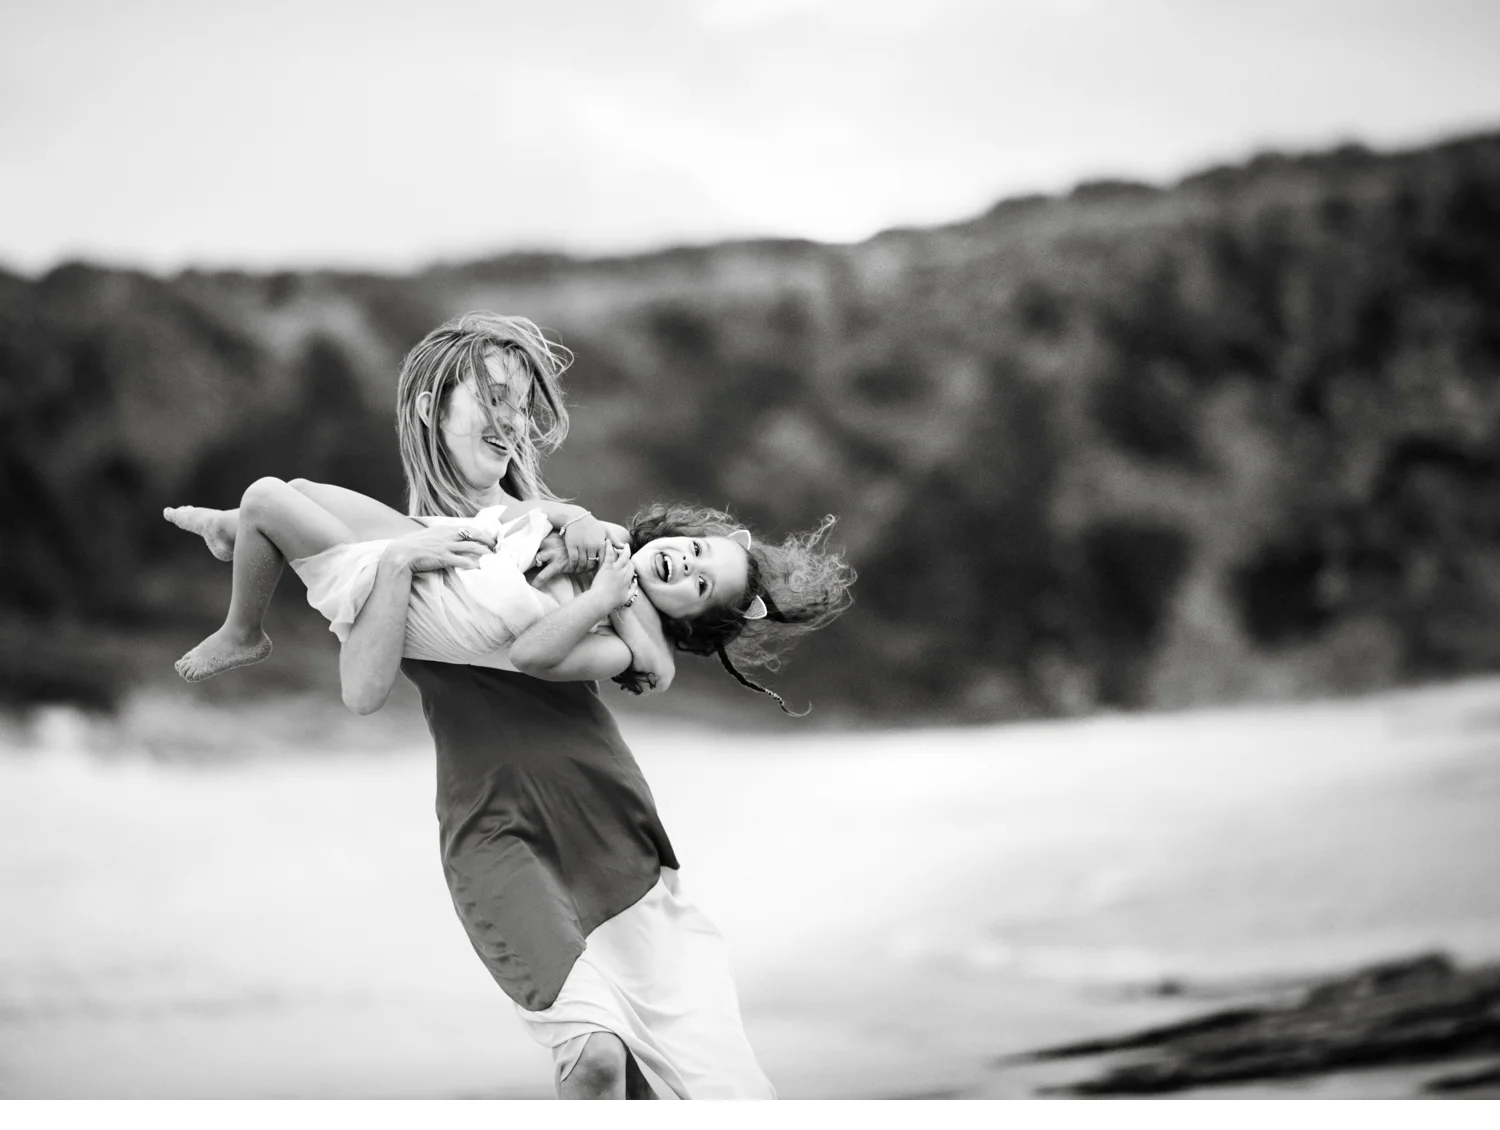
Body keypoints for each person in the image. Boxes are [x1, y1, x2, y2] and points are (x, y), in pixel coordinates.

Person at [172, 312, 852, 1099]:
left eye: (521, 405)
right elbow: (357, 672)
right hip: (492, 829)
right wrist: (381, 559)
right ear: (429, 409)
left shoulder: (561, 532)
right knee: (595, 1059)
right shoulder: (397, 549)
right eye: (492, 398)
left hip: (603, 823)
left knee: (671, 1080)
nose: (511, 419)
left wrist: (584, 536)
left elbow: (649, 652)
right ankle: (231, 535)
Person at [165, 481, 847, 714]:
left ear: (693, 622)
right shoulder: (608, 543)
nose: (686, 563)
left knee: (268, 497)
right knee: (301, 491)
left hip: (407, 589)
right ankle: (235, 533)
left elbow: (532, 656)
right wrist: (577, 522)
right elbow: (527, 513)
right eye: (697, 549)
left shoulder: (619, 646)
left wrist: (603, 600)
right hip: (437, 544)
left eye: (700, 586)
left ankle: (243, 629)